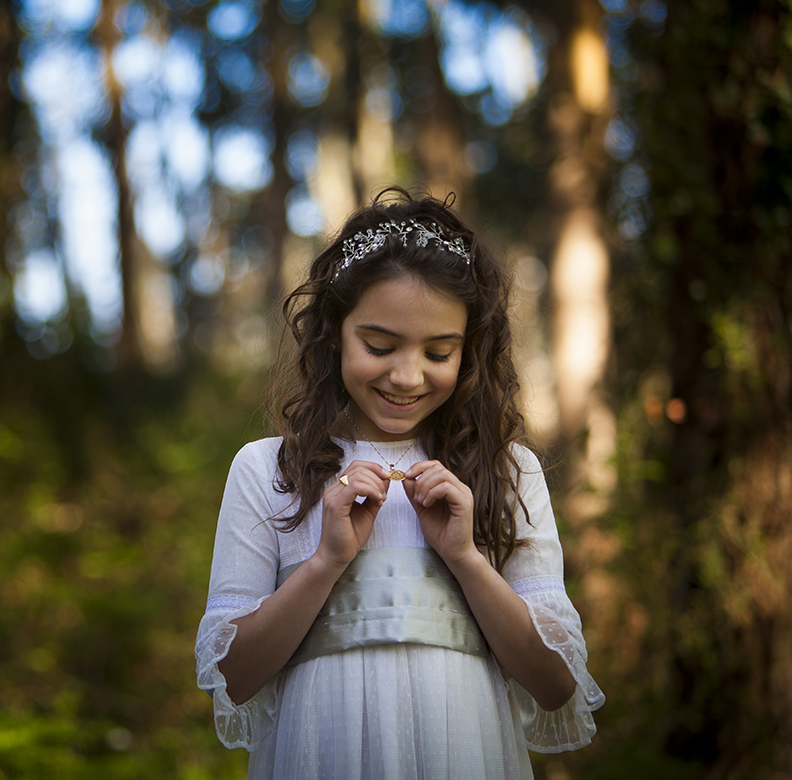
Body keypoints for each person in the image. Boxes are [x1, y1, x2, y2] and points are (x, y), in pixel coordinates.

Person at [195, 188, 604, 779]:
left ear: (469, 353)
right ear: (335, 331)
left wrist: (465, 558)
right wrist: (326, 561)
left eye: (439, 352)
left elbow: (556, 683)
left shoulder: (505, 471)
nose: (407, 376)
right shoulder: (269, 470)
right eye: (379, 346)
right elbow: (231, 676)